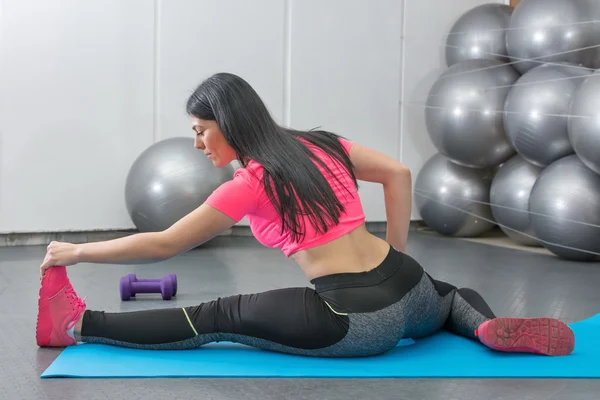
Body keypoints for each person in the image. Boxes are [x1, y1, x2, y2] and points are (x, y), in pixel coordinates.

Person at [36, 72, 574, 357]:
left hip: (355, 321)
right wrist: (398, 257)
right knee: (450, 295)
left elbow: (163, 244)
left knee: (217, 317)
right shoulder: (320, 142)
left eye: (201, 129)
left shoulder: (251, 181)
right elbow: (399, 175)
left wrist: (76, 250)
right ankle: (482, 328)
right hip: (410, 290)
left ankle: (77, 324)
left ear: (226, 122)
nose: (196, 142)